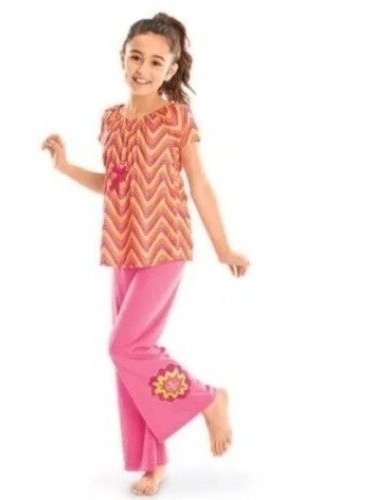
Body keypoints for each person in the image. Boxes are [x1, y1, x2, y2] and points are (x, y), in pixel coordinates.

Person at [42, 11, 250, 497]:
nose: (143, 69)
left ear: (171, 69)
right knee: (129, 359)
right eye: (136, 57)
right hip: (122, 247)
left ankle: (208, 399)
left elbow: (199, 184)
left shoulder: (177, 118)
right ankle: (152, 463)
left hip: (165, 246)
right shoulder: (111, 120)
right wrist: (66, 167)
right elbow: (113, 185)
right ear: (122, 58)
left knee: (126, 347)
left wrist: (223, 248)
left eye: (156, 62)